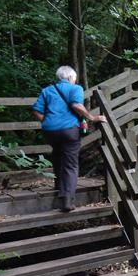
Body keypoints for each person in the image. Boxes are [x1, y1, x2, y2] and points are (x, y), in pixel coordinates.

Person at [32, 66, 106, 211]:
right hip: (69, 130)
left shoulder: (47, 90)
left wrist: (47, 121)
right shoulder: (75, 88)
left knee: (58, 155)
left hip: (50, 131)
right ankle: (67, 200)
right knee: (70, 164)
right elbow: (76, 105)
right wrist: (92, 117)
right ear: (71, 77)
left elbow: (36, 110)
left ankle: (59, 186)